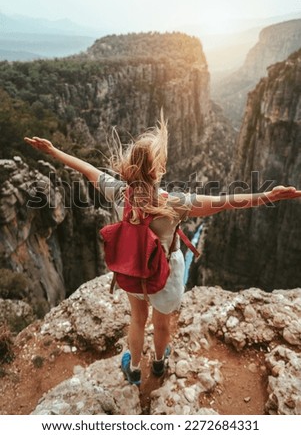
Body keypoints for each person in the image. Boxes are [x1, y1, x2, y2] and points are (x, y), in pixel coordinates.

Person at [24, 119, 301, 386]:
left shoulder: (119, 193)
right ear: (157, 170)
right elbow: (224, 203)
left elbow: (86, 169)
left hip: (132, 269)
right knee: (162, 323)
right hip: (165, 275)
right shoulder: (176, 203)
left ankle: (133, 369)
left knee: (137, 319)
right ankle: (158, 363)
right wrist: (268, 196)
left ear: (130, 169)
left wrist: (52, 151)